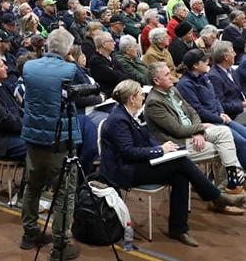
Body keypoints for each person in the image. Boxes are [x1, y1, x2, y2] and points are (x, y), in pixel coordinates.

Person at [101, 79, 244, 247]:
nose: (144, 97)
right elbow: (128, 152)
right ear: (132, 98)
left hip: (136, 163)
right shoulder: (119, 119)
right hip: (124, 170)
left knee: (180, 178)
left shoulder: (131, 114)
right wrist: (160, 151)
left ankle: (179, 229)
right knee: (180, 163)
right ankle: (215, 197)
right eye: (140, 94)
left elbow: (148, 139)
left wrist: (162, 147)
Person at [20, 28, 81, 259]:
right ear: (67, 50)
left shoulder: (29, 66)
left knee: (32, 186)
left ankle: (30, 234)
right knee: (64, 193)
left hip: (34, 138)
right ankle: (60, 245)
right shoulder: (70, 69)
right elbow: (85, 89)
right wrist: (71, 60)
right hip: (60, 140)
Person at [144, 62, 245, 200]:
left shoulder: (173, 90)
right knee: (224, 147)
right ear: (156, 81)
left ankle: (231, 181)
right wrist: (200, 128)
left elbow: (192, 112)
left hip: (193, 132)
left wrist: (198, 132)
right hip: (178, 143)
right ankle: (225, 191)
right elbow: (177, 130)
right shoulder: (153, 102)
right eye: (167, 75)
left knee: (224, 132)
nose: (172, 77)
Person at [178, 49, 246, 172]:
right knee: (241, 142)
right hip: (208, 123)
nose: (208, 62)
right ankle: (240, 178)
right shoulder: (185, 85)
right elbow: (198, 110)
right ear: (195, 65)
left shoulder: (204, 77)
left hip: (219, 117)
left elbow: (215, 98)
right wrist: (219, 118)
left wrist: (221, 113)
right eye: (204, 61)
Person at [207, 40, 246, 123]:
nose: (235, 54)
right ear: (226, 56)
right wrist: (242, 104)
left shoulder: (231, 70)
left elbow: (241, 90)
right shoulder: (214, 77)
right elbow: (220, 104)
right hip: (233, 115)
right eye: (232, 52)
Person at [89, 31, 129, 96]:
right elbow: (115, 77)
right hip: (110, 94)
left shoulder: (111, 57)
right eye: (111, 41)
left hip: (120, 89)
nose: (114, 43)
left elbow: (125, 74)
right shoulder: (96, 61)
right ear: (103, 44)